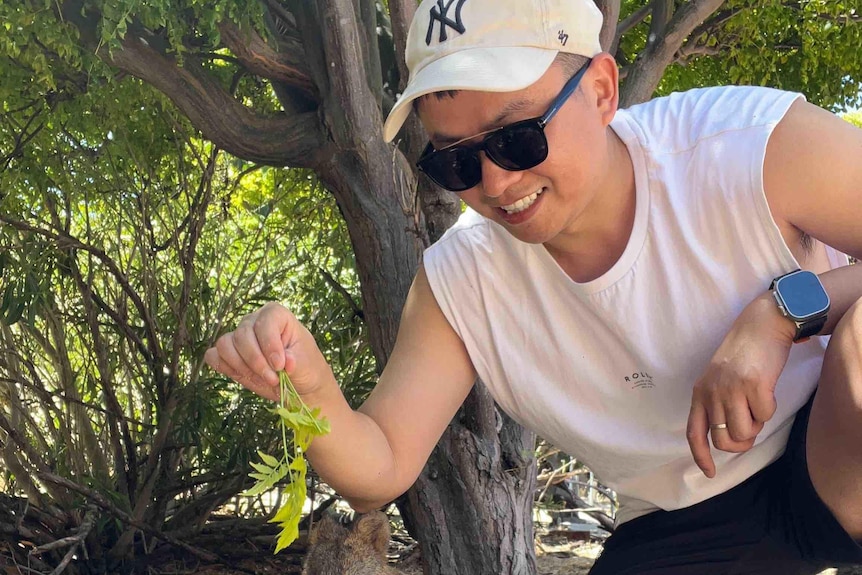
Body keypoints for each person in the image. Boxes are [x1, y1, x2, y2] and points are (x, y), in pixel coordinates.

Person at [205, 0, 862, 572]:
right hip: (681, 517)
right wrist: (307, 389)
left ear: (602, 89)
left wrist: (780, 314)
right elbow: (379, 468)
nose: (493, 183)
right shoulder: (464, 280)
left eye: (519, 137)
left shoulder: (745, 146)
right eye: (455, 159)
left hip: (829, 444)